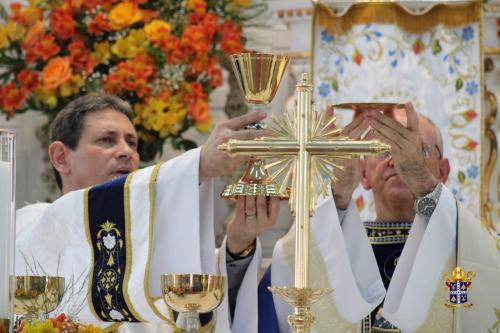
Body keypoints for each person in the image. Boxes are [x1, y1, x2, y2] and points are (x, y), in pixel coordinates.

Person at [15, 93, 279, 333]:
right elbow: (69, 219)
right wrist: (196, 166)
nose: (126, 152)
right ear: (61, 157)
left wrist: (237, 245)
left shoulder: (151, 240)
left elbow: (205, 317)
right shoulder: (31, 225)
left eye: (132, 142)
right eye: (107, 140)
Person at [259, 102, 499, 332]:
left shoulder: (473, 246)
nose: (395, 159)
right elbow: (289, 269)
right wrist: (339, 192)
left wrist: (424, 184)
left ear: (443, 171)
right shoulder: (332, 246)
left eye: (415, 148)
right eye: (381, 149)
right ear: (363, 174)